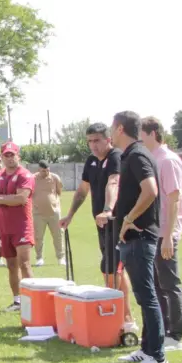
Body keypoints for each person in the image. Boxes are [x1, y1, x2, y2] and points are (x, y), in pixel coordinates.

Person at [61, 122, 136, 332]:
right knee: (111, 270)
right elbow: (82, 190)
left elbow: (114, 182)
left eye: (97, 140)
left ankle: (126, 320)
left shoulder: (116, 157)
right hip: (102, 224)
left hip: (116, 223)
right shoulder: (92, 161)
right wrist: (69, 215)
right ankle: (119, 316)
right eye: (90, 141)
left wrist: (107, 210)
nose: (93, 146)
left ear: (108, 139)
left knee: (112, 269)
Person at [110, 112, 165, 363]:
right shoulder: (130, 155)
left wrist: (129, 218)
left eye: (112, 127)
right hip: (133, 238)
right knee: (144, 297)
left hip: (141, 236)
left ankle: (158, 357)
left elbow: (151, 190)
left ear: (120, 128)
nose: (111, 132)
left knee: (147, 297)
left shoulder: (138, 155)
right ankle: (146, 349)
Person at [140, 117, 182, 353]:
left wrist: (168, 235)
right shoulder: (154, 159)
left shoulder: (167, 161)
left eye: (141, 133)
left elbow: (174, 198)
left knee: (169, 283)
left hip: (165, 231)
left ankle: (175, 335)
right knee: (157, 284)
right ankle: (163, 329)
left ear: (152, 133)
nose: (139, 138)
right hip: (155, 231)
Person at [0, 142, 35, 310]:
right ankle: (17, 301)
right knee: (11, 265)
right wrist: (10, 198)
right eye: (6, 155)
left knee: (24, 263)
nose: (9, 158)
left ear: (18, 156)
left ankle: (32, 301)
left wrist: (1, 198)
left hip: (22, 226)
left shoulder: (25, 175)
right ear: (2, 157)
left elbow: (22, 199)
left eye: (12, 155)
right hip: (4, 226)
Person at [31, 161, 64, 267]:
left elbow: (59, 191)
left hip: (54, 212)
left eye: (48, 170)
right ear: (39, 170)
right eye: (43, 171)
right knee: (38, 237)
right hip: (38, 213)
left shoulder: (55, 178)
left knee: (58, 235)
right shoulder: (33, 178)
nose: (46, 172)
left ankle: (61, 258)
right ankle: (39, 258)